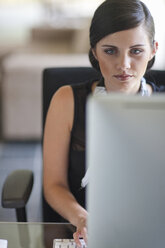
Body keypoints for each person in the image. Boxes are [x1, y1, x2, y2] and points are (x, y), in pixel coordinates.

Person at [43, 0, 165, 246]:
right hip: (83, 231)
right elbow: (53, 184)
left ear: (153, 49)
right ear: (94, 51)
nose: (124, 65)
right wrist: (81, 218)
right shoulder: (67, 101)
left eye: (136, 51)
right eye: (110, 51)